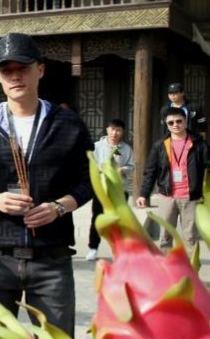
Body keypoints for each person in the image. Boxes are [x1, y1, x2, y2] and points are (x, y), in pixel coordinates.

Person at [0, 33, 92, 337]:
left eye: (23, 68)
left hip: (51, 258)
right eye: (7, 71)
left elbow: (87, 183)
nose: (15, 76)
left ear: (40, 69)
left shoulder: (67, 124)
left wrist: (58, 207)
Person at [137, 107, 207, 252]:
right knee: (165, 236)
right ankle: (168, 268)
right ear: (166, 125)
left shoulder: (199, 144)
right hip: (166, 196)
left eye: (179, 121)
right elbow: (150, 171)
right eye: (171, 123)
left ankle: (191, 269)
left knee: (191, 236)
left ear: (185, 121)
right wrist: (144, 194)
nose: (175, 125)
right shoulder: (160, 145)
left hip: (190, 196)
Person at [87, 119, 134, 261]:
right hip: (101, 189)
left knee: (119, 220)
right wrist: (103, 168)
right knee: (97, 218)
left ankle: (118, 249)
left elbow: (132, 167)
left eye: (118, 130)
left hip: (120, 190)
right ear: (107, 129)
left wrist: (122, 170)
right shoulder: (96, 147)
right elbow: (90, 165)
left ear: (122, 132)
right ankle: (93, 248)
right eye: (112, 129)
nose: (115, 133)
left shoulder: (126, 149)